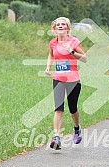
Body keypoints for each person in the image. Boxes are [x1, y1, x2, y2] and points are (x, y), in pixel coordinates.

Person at [45, 17, 87, 150]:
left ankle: (76, 128)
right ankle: (56, 137)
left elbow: (85, 58)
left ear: (68, 28)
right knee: (58, 109)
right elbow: (51, 55)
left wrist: (72, 51)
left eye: (63, 24)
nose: (61, 26)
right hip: (58, 78)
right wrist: (48, 66)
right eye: (58, 25)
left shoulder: (74, 41)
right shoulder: (53, 43)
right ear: (54, 28)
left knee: (73, 108)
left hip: (73, 79)